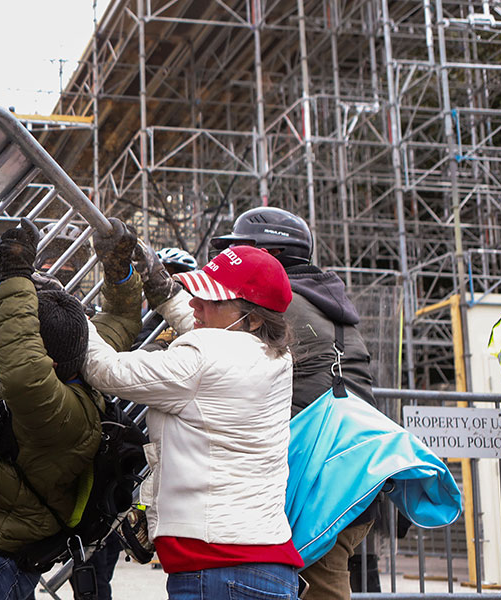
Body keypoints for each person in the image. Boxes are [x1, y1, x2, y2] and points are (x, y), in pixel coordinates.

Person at [0, 217, 142, 599]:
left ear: (49, 362)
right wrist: (118, 269)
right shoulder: (84, 358)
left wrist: (17, 276)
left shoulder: (57, 407)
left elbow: (22, 363)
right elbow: (121, 317)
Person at [83, 242, 303, 599]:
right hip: (261, 563)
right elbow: (217, 331)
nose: (195, 304)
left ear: (255, 316)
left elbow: (107, 371)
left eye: (212, 300)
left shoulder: (206, 356)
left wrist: (71, 313)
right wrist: (163, 291)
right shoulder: (274, 354)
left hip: (217, 567)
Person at [213, 206, 379, 597]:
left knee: (321, 584)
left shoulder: (279, 308)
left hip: (320, 479)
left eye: (244, 255)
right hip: (353, 468)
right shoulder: (330, 306)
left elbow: (216, 362)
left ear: (270, 256)